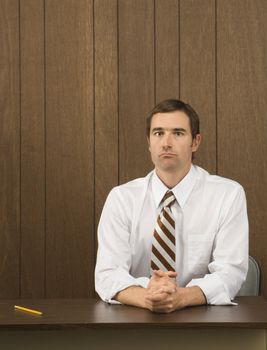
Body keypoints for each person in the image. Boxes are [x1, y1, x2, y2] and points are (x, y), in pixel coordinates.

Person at [95, 99, 248, 313]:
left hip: (203, 320)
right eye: (158, 133)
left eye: (177, 133)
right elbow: (107, 274)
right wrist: (149, 297)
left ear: (195, 142)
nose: (166, 142)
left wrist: (181, 297)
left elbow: (230, 272)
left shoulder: (228, 195)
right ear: (149, 142)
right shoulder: (122, 198)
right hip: (135, 318)